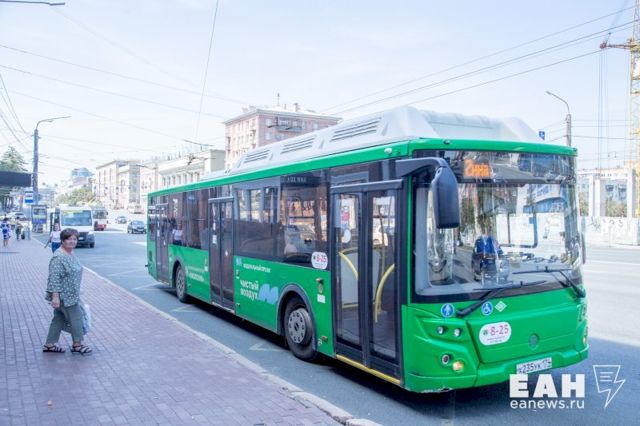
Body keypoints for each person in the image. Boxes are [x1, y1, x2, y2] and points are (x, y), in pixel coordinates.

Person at [43, 228, 92, 354]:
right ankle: (77, 345)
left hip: (71, 294)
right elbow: (54, 278)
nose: (72, 241)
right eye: (69, 239)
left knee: (58, 319)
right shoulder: (59, 257)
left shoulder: (69, 253)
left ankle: (49, 345)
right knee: (76, 318)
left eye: (74, 239)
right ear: (62, 240)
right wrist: (55, 297)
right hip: (65, 296)